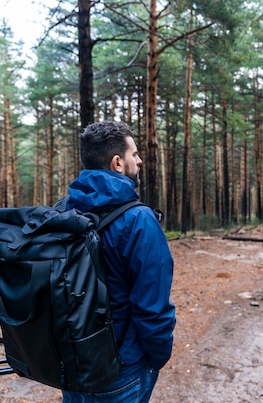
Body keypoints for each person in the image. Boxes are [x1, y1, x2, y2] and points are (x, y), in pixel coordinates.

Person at [63, 120, 176, 403]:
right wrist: (157, 357)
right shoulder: (138, 220)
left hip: (73, 364)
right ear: (117, 162)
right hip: (122, 370)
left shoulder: (64, 211)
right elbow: (152, 308)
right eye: (134, 154)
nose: (139, 160)